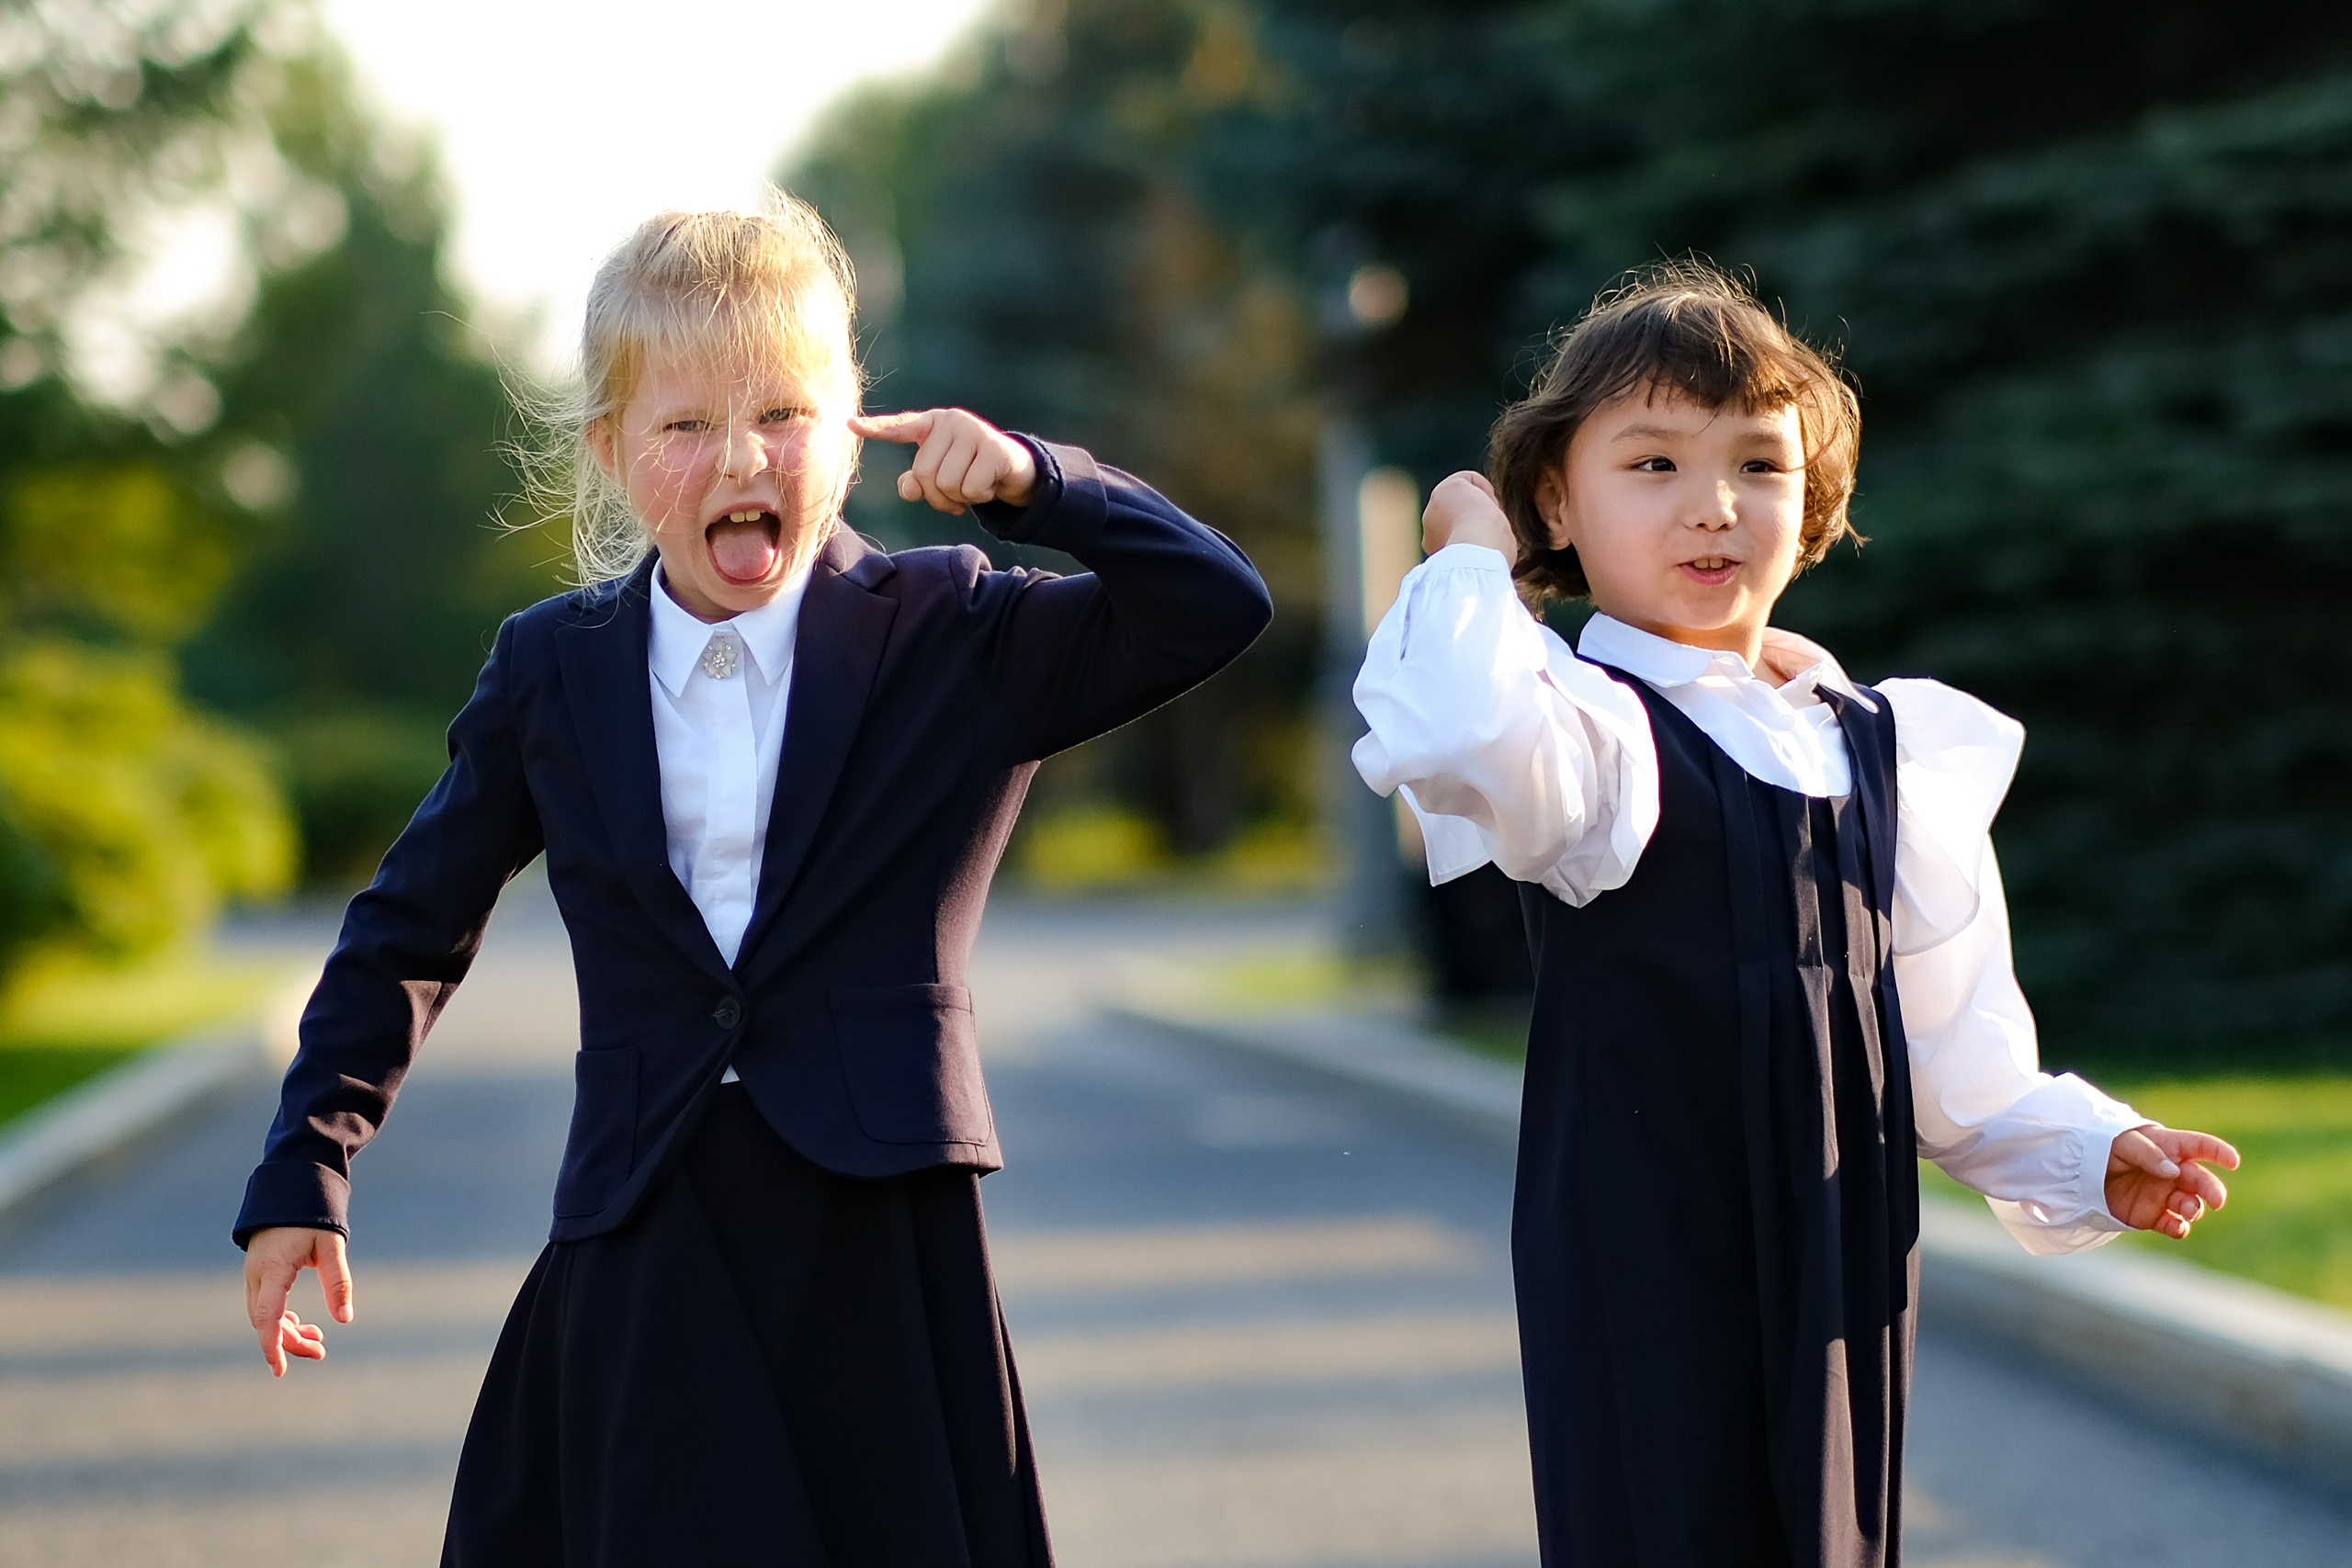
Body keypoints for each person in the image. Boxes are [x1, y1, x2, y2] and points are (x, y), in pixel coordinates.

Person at [233, 191, 1272, 1567]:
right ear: (610, 451)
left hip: (879, 1231)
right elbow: (410, 928)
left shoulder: (955, 629)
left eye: (783, 413)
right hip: (650, 1217)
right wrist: (308, 1167)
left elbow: (1216, 605)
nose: (742, 457)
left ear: (852, 424)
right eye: (685, 425)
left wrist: (1043, 481)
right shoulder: (556, 667)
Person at [1351, 263, 2239, 1568]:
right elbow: (1459, 729)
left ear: (1810, 497)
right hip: (1645, 1243)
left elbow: (1949, 1053)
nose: (1712, 509)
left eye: (1758, 466)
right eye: (1651, 466)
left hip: (1840, 1252)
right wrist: (1478, 552)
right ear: (1561, 499)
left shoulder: (1881, 747)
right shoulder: (1591, 732)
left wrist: (2085, 1150)